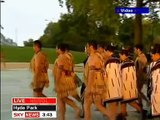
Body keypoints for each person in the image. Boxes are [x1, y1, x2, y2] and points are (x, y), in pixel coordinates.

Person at [84, 41, 113, 120]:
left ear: (90, 47)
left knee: (87, 105)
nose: (86, 48)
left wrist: (89, 88)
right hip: (98, 84)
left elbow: (92, 73)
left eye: (87, 46)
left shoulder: (93, 57)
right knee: (98, 105)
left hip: (94, 86)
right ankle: (114, 118)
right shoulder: (98, 56)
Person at [53, 43, 81, 120]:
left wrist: (56, 83)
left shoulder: (61, 57)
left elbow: (59, 70)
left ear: (59, 49)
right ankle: (62, 117)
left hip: (63, 79)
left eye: (56, 48)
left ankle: (76, 108)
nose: (56, 50)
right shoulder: (69, 56)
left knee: (62, 97)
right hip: (68, 78)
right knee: (61, 99)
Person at [119, 48, 146, 120]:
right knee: (126, 101)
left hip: (125, 86)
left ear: (124, 55)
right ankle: (123, 115)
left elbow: (121, 75)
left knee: (128, 102)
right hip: (131, 86)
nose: (120, 57)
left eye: (121, 55)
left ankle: (141, 111)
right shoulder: (132, 62)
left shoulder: (123, 64)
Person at [150, 44, 160, 118]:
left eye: (152, 55)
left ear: (157, 54)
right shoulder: (155, 65)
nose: (151, 57)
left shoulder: (157, 67)